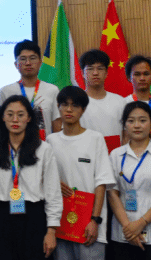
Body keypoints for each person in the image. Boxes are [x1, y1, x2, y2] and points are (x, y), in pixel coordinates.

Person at [0, 96, 61, 260]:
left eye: (20, 115)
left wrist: (51, 230)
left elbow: (53, 192)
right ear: (3, 117)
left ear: (29, 118)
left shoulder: (43, 149)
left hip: (34, 216)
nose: (15, 120)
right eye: (10, 114)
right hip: (4, 216)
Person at [46, 86, 117, 260]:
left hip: (89, 225)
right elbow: (45, 179)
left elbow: (101, 182)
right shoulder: (51, 141)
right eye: (64, 104)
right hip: (61, 223)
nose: (69, 109)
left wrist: (95, 220)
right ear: (58, 107)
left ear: (83, 109)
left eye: (75, 105)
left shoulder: (95, 138)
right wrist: (53, 183)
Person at [107, 102, 151, 260]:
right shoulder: (115, 155)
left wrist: (140, 223)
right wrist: (128, 227)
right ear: (124, 125)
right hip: (123, 233)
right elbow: (112, 194)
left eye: (142, 120)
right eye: (131, 121)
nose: (137, 125)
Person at [0, 40, 61, 138]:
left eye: (32, 58)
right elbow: (1, 125)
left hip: (45, 146)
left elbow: (56, 123)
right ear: (16, 64)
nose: (28, 63)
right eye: (23, 59)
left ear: (40, 62)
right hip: (16, 146)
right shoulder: (6, 91)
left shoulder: (52, 90)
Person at [78, 50, 127, 149]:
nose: (95, 73)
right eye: (90, 69)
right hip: (85, 154)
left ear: (106, 73)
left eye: (100, 69)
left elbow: (127, 134)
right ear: (82, 73)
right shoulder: (75, 102)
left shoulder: (120, 102)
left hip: (115, 154)